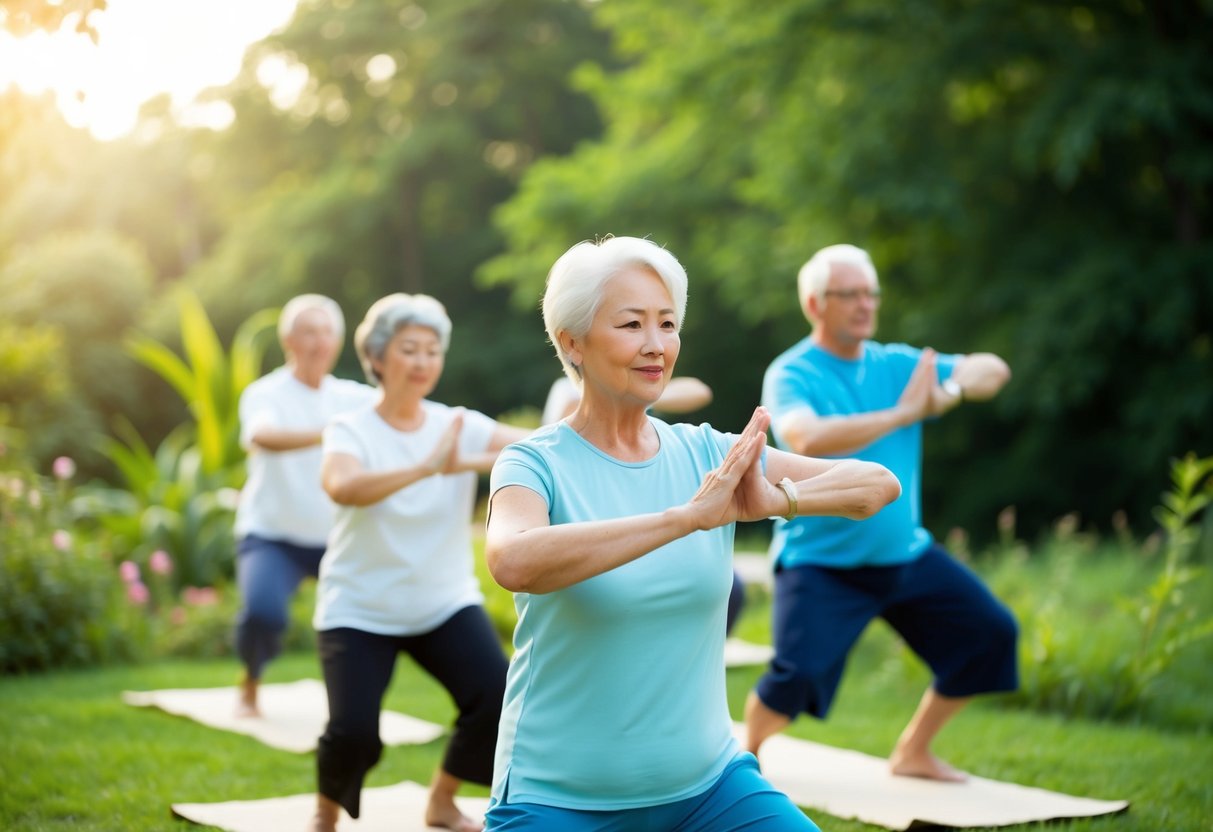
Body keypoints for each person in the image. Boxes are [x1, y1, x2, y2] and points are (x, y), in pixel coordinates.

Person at [483, 236, 901, 830]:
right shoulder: (532, 463)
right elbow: (513, 561)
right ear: (571, 342)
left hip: (710, 790)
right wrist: (685, 519)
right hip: (557, 799)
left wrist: (781, 500)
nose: (656, 346)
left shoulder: (709, 450)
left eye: (668, 323)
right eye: (631, 325)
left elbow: (877, 485)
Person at [743, 243, 1018, 782]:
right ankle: (747, 757)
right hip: (821, 562)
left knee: (990, 635)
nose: (866, 304)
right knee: (793, 678)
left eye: (871, 293)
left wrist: (952, 390)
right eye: (850, 294)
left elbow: (994, 369)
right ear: (816, 304)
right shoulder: (792, 371)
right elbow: (806, 435)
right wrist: (904, 413)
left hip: (904, 555)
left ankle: (914, 751)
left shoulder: (897, 363)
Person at [310, 293, 529, 832]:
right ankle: (324, 817)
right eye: (410, 349)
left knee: (495, 697)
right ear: (379, 358)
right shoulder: (351, 427)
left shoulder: (456, 424)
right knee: (354, 731)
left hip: (442, 601)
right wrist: (428, 467)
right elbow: (343, 486)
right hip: (359, 607)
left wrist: (468, 460)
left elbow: (534, 446)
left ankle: (441, 801)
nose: (423, 361)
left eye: (433, 351)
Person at [233, 294, 376, 718]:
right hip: (271, 535)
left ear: (338, 342)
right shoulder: (265, 393)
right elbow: (262, 437)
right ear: (289, 341)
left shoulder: (354, 397)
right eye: (309, 332)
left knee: (365, 620)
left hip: (335, 538)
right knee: (263, 613)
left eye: (328, 332)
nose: (319, 341)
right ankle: (250, 681)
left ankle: (350, 706)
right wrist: (330, 433)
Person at [540, 372, 753, 633]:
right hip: (599, 516)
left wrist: (640, 395)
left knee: (733, 589)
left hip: (652, 513)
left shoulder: (657, 420)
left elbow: (699, 391)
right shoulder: (567, 394)